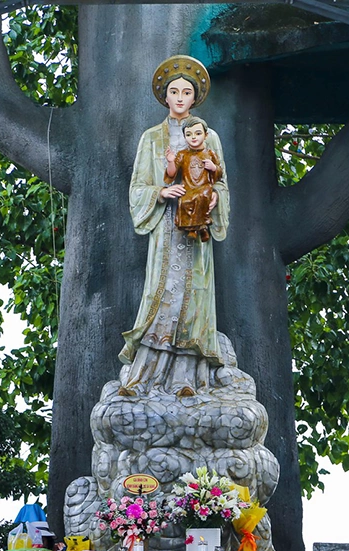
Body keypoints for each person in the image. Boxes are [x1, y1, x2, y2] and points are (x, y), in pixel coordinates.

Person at [121, 55, 229, 398]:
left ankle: (188, 377)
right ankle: (144, 377)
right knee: (163, 293)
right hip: (166, 228)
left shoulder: (208, 138)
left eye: (186, 92)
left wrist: (215, 200)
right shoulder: (152, 138)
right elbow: (137, 187)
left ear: (194, 98)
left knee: (193, 297)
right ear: (165, 97)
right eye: (174, 92)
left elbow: (222, 182)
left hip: (197, 231)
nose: (180, 98)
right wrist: (161, 191)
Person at [166, 116, 222, 242]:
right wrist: (170, 161)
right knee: (185, 201)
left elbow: (219, 173)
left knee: (202, 196)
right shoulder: (182, 154)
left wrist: (213, 168)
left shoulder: (210, 154)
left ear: (205, 135)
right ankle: (200, 227)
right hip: (189, 186)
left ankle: (196, 229)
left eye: (198, 133)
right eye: (189, 134)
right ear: (185, 137)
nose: (194, 137)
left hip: (204, 186)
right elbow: (171, 174)